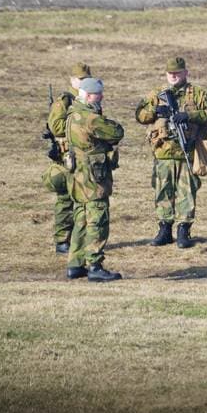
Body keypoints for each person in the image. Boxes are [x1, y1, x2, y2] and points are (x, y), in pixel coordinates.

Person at [134, 56, 207, 249]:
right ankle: (164, 228)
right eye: (170, 73)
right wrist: (156, 110)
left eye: (177, 73)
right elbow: (140, 115)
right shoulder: (156, 94)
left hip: (187, 151)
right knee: (163, 190)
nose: (174, 76)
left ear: (185, 73)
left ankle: (183, 229)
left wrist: (189, 115)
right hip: (163, 151)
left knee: (187, 192)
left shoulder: (197, 94)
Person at [64, 77, 125, 282]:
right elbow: (116, 131)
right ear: (89, 96)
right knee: (97, 219)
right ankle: (95, 265)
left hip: (78, 176)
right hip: (93, 177)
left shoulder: (72, 114)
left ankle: (75, 263)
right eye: (99, 94)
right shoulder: (90, 118)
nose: (102, 97)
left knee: (80, 219)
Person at [43, 62, 90, 254]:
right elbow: (56, 127)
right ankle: (62, 239)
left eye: (86, 79)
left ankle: (80, 238)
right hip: (66, 158)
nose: (83, 82)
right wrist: (78, 124)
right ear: (72, 80)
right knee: (65, 200)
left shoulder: (88, 99)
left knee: (83, 200)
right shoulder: (64, 101)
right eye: (80, 79)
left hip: (84, 157)